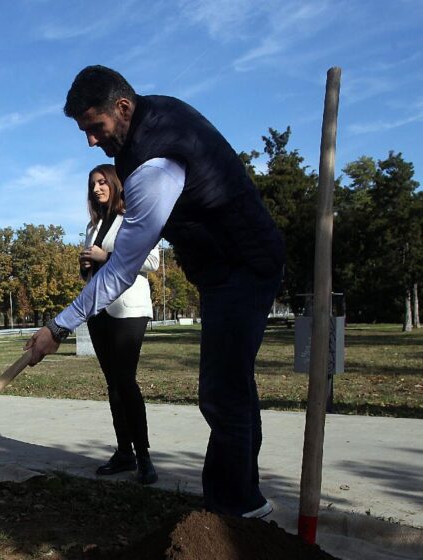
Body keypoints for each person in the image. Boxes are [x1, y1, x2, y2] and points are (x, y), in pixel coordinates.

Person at [25, 66, 284, 518]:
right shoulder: (152, 119)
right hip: (225, 266)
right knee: (233, 386)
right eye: (84, 131)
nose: (90, 141)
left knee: (222, 391)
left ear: (121, 108)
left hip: (243, 265)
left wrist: (57, 327)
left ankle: (233, 510)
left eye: (95, 128)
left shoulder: (153, 163)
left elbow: (120, 270)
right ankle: (244, 499)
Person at [79, 164, 160, 485]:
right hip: (98, 311)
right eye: (92, 185)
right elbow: (95, 266)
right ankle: (124, 452)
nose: (97, 189)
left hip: (129, 309)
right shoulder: (92, 225)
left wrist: (106, 256)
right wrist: (86, 264)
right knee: (113, 384)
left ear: (115, 184)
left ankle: (144, 456)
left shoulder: (133, 218)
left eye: (102, 182)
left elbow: (151, 261)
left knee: (126, 382)